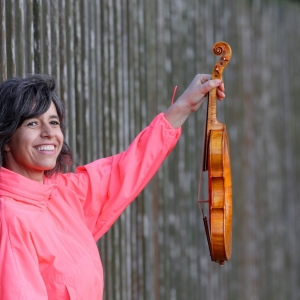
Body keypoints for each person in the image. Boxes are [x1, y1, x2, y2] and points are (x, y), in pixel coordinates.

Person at [0, 74, 225, 299]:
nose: (49, 133)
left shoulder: (61, 193)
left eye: (53, 122)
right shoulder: (10, 219)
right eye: (32, 123)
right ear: (7, 139)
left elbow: (126, 169)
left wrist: (183, 107)